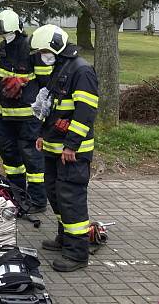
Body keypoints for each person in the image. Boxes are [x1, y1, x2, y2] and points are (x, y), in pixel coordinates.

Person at [31, 24, 98, 272]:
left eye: (44, 51)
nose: (41, 56)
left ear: (57, 46)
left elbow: (85, 112)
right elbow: (50, 107)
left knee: (71, 200)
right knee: (55, 194)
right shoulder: (60, 68)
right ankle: (64, 238)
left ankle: (77, 253)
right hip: (53, 147)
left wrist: (71, 145)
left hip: (71, 152)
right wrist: (41, 134)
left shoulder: (81, 71)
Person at [0, 9, 47, 213]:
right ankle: (17, 195)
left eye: (7, 33)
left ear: (17, 29)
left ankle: (37, 201)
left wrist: (23, 83)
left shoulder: (31, 49)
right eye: (1, 35)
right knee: (10, 157)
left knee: (32, 159)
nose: (4, 38)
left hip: (28, 117)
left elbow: (44, 83)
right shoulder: (2, 49)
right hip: (6, 115)